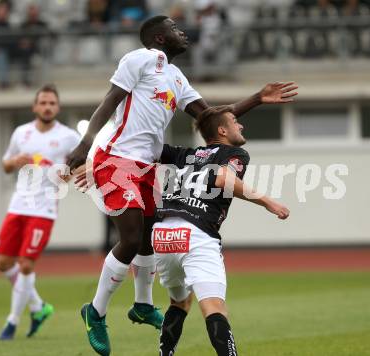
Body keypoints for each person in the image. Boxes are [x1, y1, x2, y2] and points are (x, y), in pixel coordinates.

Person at [66, 15, 297, 356]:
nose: (182, 32)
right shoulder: (140, 58)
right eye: (175, 28)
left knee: (147, 238)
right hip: (116, 157)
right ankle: (95, 312)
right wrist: (85, 147)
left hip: (147, 165)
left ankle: (142, 305)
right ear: (159, 37)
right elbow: (110, 101)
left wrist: (258, 98)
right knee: (130, 238)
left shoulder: (176, 78)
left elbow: (213, 118)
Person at [155, 107, 289, 356]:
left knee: (180, 302)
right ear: (222, 130)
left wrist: (93, 165)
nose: (241, 126)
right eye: (235, 121)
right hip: (196, 233)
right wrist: (269, 202)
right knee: (214, 306)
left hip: (163, 234)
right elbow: (223, 179)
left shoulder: (181, 153)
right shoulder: (234, 153)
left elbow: (136, 152)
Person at [0, 84, 81, 340]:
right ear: (35, 107)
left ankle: (11, 323)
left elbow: (82, 165)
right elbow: (6, 165)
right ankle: (38, 306)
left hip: (44, 209)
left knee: (25, 264)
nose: (47, 107)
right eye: (43, 103)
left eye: (52, 103)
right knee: (3, 263)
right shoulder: (21, 133)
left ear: (58, 107)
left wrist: (69, 173)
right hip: (17, 205)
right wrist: (13, 161)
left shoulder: (68, 137)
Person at [16, 4, 51, 87]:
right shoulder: (23, 25)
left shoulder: (43, 24)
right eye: (31, 11)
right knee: (25, 54)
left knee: (36, 59)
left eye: (34, 11)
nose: (33, 14)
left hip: (40, 50)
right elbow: (18, 38)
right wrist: (23, 42)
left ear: (38, 12)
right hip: (26, 51)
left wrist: (31, 41)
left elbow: (50, 35)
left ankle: (37, 83)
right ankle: (25, 82)